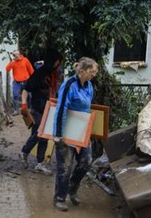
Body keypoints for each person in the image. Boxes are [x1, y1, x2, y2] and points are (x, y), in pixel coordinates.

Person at [52, 57, 99, 211]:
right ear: (82, 71)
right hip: (66, 130)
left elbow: (87, 109)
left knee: (87, 161)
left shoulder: (89, 86)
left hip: (81, 130)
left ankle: (72, 187)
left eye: (94, 72)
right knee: (65, 166)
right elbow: (61, 109)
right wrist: (58, 134)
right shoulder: (69, 85)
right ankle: (60, 198)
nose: (94, 75)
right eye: (91, 72)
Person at [19, 48, 62, 175]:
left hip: (50, 109)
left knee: (44, 137)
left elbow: (55, 92)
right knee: (38, 134)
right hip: (38, 108)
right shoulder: (39, 74)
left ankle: (40, 163)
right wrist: (24, 105)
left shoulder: (54, 74)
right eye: (57, 61)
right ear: (51, 61)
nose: (58, 64)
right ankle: (24, 152)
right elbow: (26, 89)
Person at [5, 50, 34, 116]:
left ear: (19, 54)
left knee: (29, 96)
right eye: (14, 55)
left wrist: (32, 80)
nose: (15, 56)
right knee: (15, 95)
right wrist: (11, 62)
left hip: (26, 81)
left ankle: (30, 109)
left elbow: (31, 70)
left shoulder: (25, 60)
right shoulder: (13, 62)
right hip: (16, 82)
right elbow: (7, 69)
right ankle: (16, 110)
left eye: (16, 54)